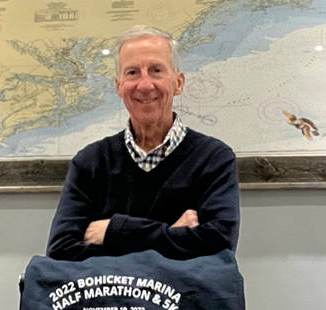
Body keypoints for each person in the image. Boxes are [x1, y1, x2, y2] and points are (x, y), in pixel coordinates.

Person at [46, 25, 240, 261]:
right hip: (108, 300)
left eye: (156, 70)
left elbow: (219, 246)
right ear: (118, 86)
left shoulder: (214, 159)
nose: (145, 85)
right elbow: (61, 251)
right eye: (132, 73)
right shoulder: (90, 162)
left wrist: (115, 231)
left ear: (178, 83)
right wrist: (170, 234)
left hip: (185, 298)